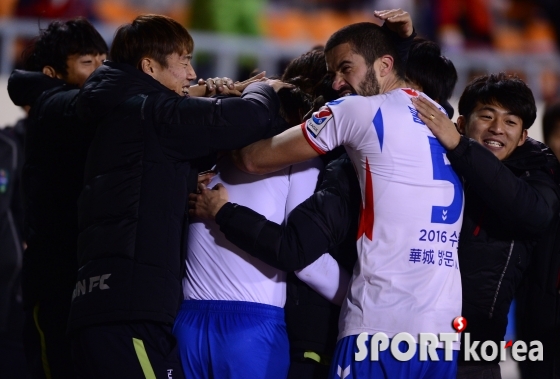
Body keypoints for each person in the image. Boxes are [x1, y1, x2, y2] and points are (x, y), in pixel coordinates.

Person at [192, 21, 464, 378]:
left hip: (377, 326)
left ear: (384, 65)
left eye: (345, 68)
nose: (336, 84)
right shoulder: (439, 116)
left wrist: (263, 92)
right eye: (332, 73)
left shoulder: (354, 110)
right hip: (442, 332)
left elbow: (251, 159)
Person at [67, 14, 292, 379]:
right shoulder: (149, 112)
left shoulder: (111, 111)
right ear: (149, 66)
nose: (191, 74)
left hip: (101, 307)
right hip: (130, 310)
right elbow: (247, 119)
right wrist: (263, 89)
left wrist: (214, 97)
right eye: (184, 61)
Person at [173, 78, 350, 378]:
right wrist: (364, 297)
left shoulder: (206, 156)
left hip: (187, 320)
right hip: (251, 328)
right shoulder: (302, 164)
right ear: (299, 118)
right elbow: (305, 261)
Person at [411, 73, 560, 379]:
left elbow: (533, 214)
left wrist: (462, 149)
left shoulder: (536, 174)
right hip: (407, 339)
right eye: (487, 116)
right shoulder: (429, 163)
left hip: (475, 351)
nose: (497, 129)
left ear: (523, 137)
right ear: (462, 123)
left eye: (510, 122)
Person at [7, 18, 108, 379]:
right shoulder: (59, 112)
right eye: (87, 63)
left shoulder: (92, 111)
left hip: (92, 275)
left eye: (103, 60)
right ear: (52, 73)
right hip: (53, 278)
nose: (100, 71)